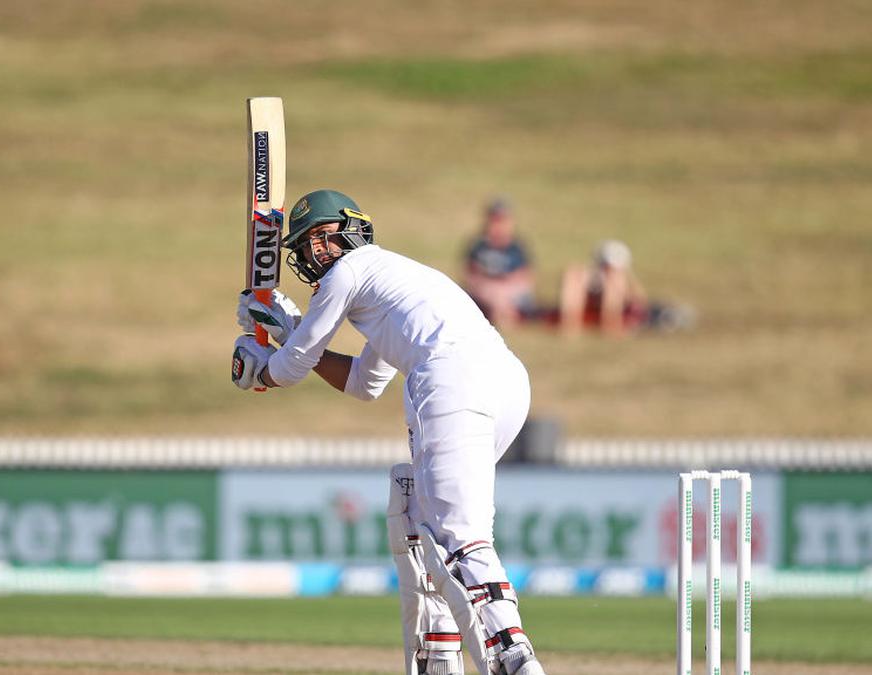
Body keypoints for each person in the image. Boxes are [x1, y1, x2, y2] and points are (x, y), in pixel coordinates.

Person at [231, 189, 547, 675]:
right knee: (419, 517)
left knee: (459, 536)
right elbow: (364, 382)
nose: (317, 251)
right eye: (307, 244)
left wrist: (260, 369)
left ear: (351, 229)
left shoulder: (348, 272)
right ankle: (441, 658)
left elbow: (293, 366)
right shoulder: (391, 281)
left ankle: (514, 657)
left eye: (322, 236)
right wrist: (285, 328)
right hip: (504, 381)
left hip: (451, 379)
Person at [558, 239, 694, 336]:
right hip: (596, 307)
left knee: (615, 282)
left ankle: (610, 325)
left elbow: (640, 300)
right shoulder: (584, 275)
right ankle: (572, 325)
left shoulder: (620, 278)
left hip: (622, 310)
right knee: (573, 273)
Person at [462, 198, 537, 329]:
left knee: (502, 294)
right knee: (493, 292)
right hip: (486, 291)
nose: (498, 225)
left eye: (502, 221)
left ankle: (503, 315)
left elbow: (526, 277)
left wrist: (504, 287)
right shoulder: (479, 246)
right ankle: (504, 316)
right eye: (495, 220)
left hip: (510, 291)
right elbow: (470, 275)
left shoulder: (517, 247)